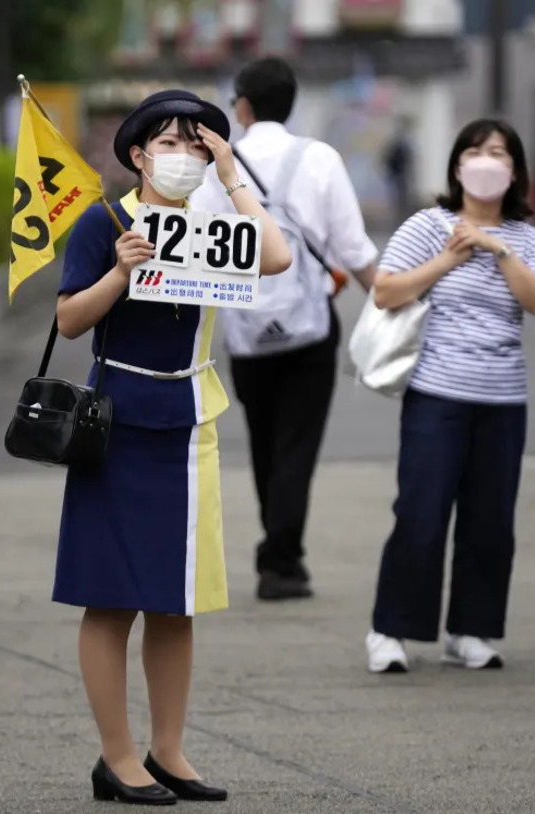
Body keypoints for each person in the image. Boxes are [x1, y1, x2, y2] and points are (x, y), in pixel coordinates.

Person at [54, 89, 291, 805]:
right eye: (171, 142)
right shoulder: (104, 222)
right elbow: (68, 321)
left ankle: (169, 750)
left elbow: (277, 258)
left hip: (190, 422)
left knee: (175, 598)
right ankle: (116, 757)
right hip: (116, 420)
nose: (184, 156)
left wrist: (231, 176)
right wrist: (121, 273)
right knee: (110, 596)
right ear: (136, 153)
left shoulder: (219, 223)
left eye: (199, 143)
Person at [363, 119, 535, 674]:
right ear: (457, 166)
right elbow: (384, 289)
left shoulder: (526, 237)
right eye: (475, 151)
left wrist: (496, 249)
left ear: (515, 170)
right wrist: (450, 256)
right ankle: (391, 629)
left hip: (504, 397)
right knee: (420, 512)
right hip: (437, 394)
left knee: (490, 519)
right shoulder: (429, 224)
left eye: (498, 153)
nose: (486, 161)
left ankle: (471, 630)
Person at [191, 56, 380, 602]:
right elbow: (353, 249)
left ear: (243, 105)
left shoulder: (214, 169)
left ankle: (279, 552)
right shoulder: (319, 158)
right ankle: (281, 560)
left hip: (246, 329)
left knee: (266, 444)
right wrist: (390, 302)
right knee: (298, 446)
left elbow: (199, 247)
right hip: (311, 329)